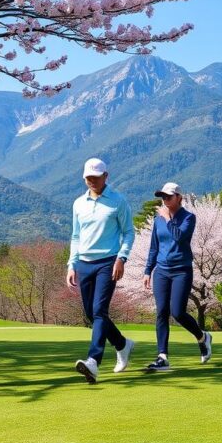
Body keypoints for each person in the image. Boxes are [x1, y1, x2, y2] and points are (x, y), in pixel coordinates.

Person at [67, 158, 136, 384]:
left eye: (96, 177)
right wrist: (72, 264)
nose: (92, 181)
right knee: (91, 313)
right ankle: (122, 344)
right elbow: (76, 236)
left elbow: (128, 232)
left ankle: (93, 361)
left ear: (106, 176)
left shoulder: (118, 201)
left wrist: (121, 258)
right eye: (88, 178)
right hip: (85, 264)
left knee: (98, 310)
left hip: (108, 262)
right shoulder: (78, 204)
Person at [142, 182, 212, 371]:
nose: (165, 200)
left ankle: (203, 337)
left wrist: (167, 219)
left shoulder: (189, 218)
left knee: (178, 312)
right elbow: (154, 247)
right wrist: (148, 270)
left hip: (181, 270)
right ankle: (162, 356)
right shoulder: (158, 220)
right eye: (162, 197)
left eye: (168, 197)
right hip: (162, 271)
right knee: (161, 312)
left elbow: (180, 238)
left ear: (179, 198)